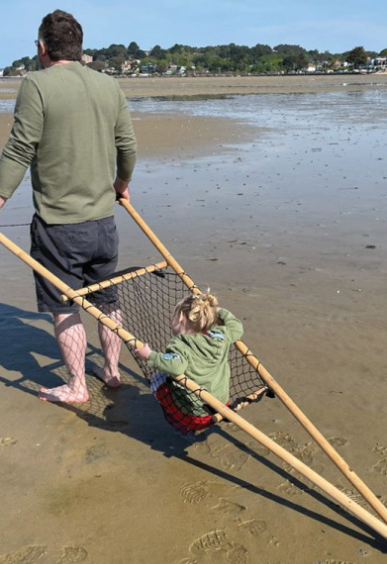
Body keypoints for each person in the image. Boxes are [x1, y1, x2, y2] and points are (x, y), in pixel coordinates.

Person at [0, 10, 137, 403]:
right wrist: (121, 185)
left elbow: (20, 149)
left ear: (42, 48)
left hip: (59, 226)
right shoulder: (108, 86)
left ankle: (78, 386)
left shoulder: (36, 85)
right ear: (78, 48)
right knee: (107, 299)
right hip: (103, 222)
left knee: (65, 307)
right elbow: (127, 146)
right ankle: (111, 372)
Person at [135, 293, 244, 436]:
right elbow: (237, 327)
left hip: (194, 416)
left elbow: (176, 366)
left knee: (157, 379)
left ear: (180, 318)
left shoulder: (180, 344)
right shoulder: (219, 335)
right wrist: (220, 311)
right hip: (222, 404)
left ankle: (179, 423)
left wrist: (150, 356)